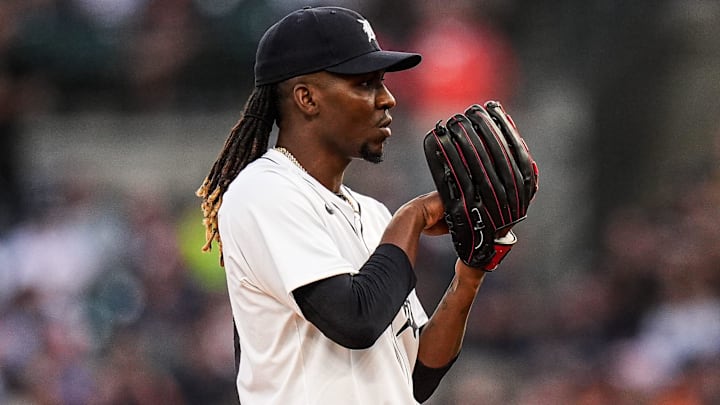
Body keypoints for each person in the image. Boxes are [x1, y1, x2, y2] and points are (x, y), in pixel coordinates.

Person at [197, 6, 491, 404]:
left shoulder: (373, 214)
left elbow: (416, 374)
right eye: (366, 83)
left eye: (382, 82)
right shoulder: (263, 191)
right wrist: (414, 216)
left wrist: (469, 276)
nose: (387, 99)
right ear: (307, 98)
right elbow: (355, 320)